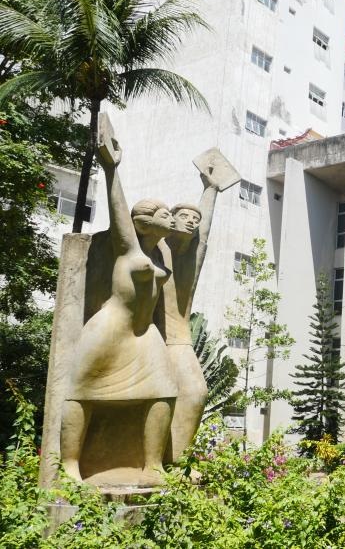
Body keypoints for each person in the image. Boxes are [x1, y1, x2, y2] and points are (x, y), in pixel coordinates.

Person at [60, 123, 178, 483]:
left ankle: (153, 465)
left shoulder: (164, 254)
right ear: (144, 220)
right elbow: (119, 213)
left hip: (143, 335)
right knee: (81, 393)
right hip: (109, 329)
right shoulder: (130, 249)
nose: (171, 217)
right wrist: (111, 168)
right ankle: (68, 466)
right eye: (164, 213)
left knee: (165, 393)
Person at [162, 167, 222, 462]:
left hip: (177, 339)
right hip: (144, 336)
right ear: (170, 219)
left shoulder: (190, 260)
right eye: (184, 217)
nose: (191, 222)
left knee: (196, 392)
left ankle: (177, 460)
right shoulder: (150, 253)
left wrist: (210, 190)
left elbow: (205, 232)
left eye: (194, 220)